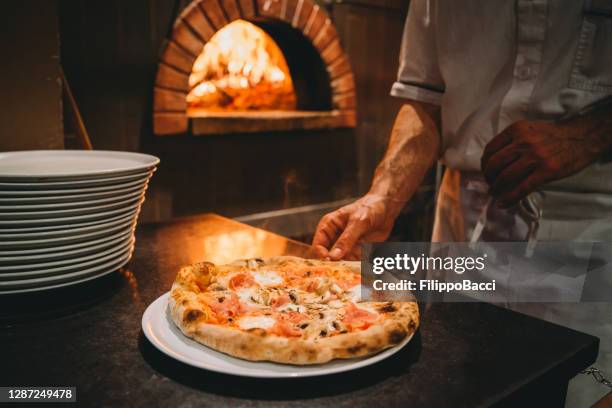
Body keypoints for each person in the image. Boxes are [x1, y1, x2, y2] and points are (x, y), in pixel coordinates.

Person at [312, 1, 611, 405]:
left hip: (590, 226)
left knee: (579, 391)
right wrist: (382, 198)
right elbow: (423, 102)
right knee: (454, 389)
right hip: (463, 228)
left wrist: (589, 134)